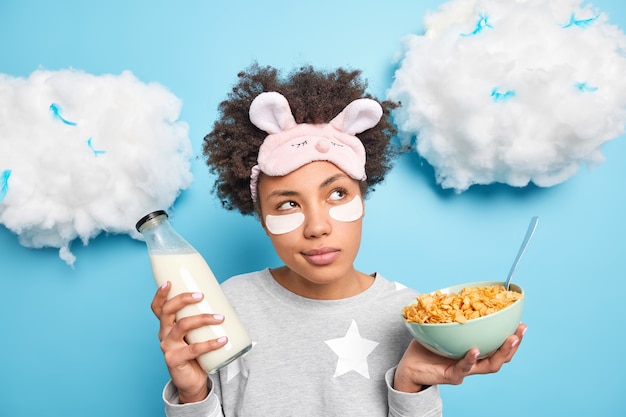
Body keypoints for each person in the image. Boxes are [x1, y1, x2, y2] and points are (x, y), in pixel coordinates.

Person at [150, 63, 527, 416]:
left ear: (362, 200)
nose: (317, 226)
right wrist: (193, 395)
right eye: (287, 204)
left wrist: (409, 387)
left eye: (337, 195)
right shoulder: (223, 307)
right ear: (262, 219)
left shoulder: (415, 318)